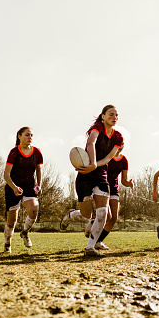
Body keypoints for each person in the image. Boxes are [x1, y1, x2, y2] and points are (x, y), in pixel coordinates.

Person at [60, 105, 123, 257]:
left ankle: (90, 247)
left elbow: (108, 158)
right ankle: (71, 215)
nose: (114, 117)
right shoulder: (97, 128)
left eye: (116, 115)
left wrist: (95, 165)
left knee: (103, 214)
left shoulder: (118, 137)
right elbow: (91, 143)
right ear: (103, 116)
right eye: (111, 114)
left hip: (101, 176)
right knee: (86, 215)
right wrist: (91, 164)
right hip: (85, 176)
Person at [3, 126, 43, 253]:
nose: (30, 137)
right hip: (12, 189)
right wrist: (14, 187)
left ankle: (25, 232)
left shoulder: (37, 152)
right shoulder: (14, 152)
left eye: (31, 135)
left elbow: (38, 170)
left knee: (34, 210)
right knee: (11, 222)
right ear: (19, 136)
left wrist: (39, 185)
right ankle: (7, 245)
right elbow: (6, 174)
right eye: (27, 135)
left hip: (29, 188)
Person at [94, 143, 134, 250]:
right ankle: (91, 226)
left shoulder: (124, 160)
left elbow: (124, 180)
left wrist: (129, 184)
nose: (120, 147)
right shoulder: (106, 156)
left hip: (114, 190)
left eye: (122, 145)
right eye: (119, 145)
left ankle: (98, 242)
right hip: (102, 187)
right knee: (107, 216)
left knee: (114, 218)